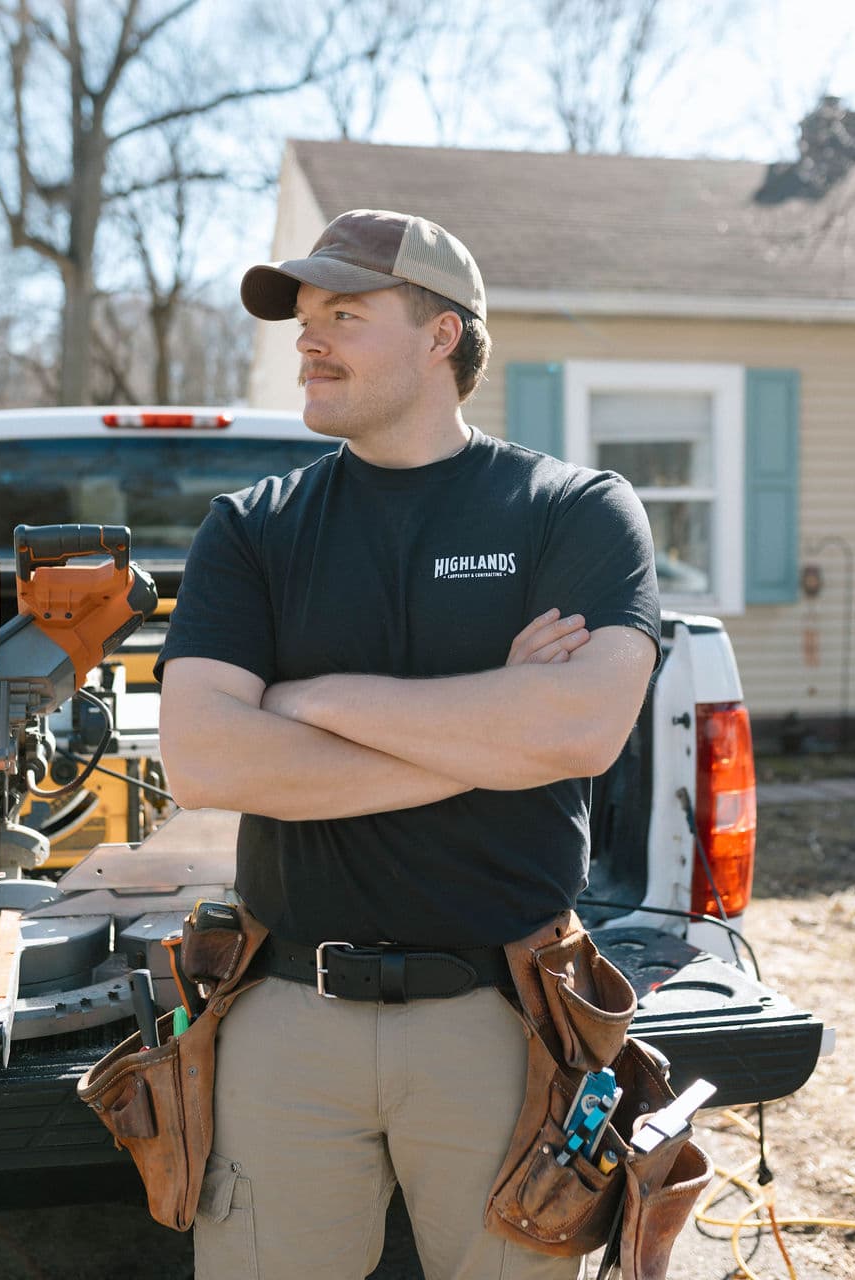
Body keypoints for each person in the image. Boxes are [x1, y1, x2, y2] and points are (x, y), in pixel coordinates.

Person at [155, 208, 660, 1280]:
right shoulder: (252, 525)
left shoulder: (571, 509)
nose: (308, 338)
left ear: (443, 335)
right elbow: (204, 758)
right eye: (303, 316)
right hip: (285, 1015)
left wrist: (309, 695)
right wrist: (491, 728)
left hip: (500, 1014)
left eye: (344, 311)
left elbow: (579, 725)